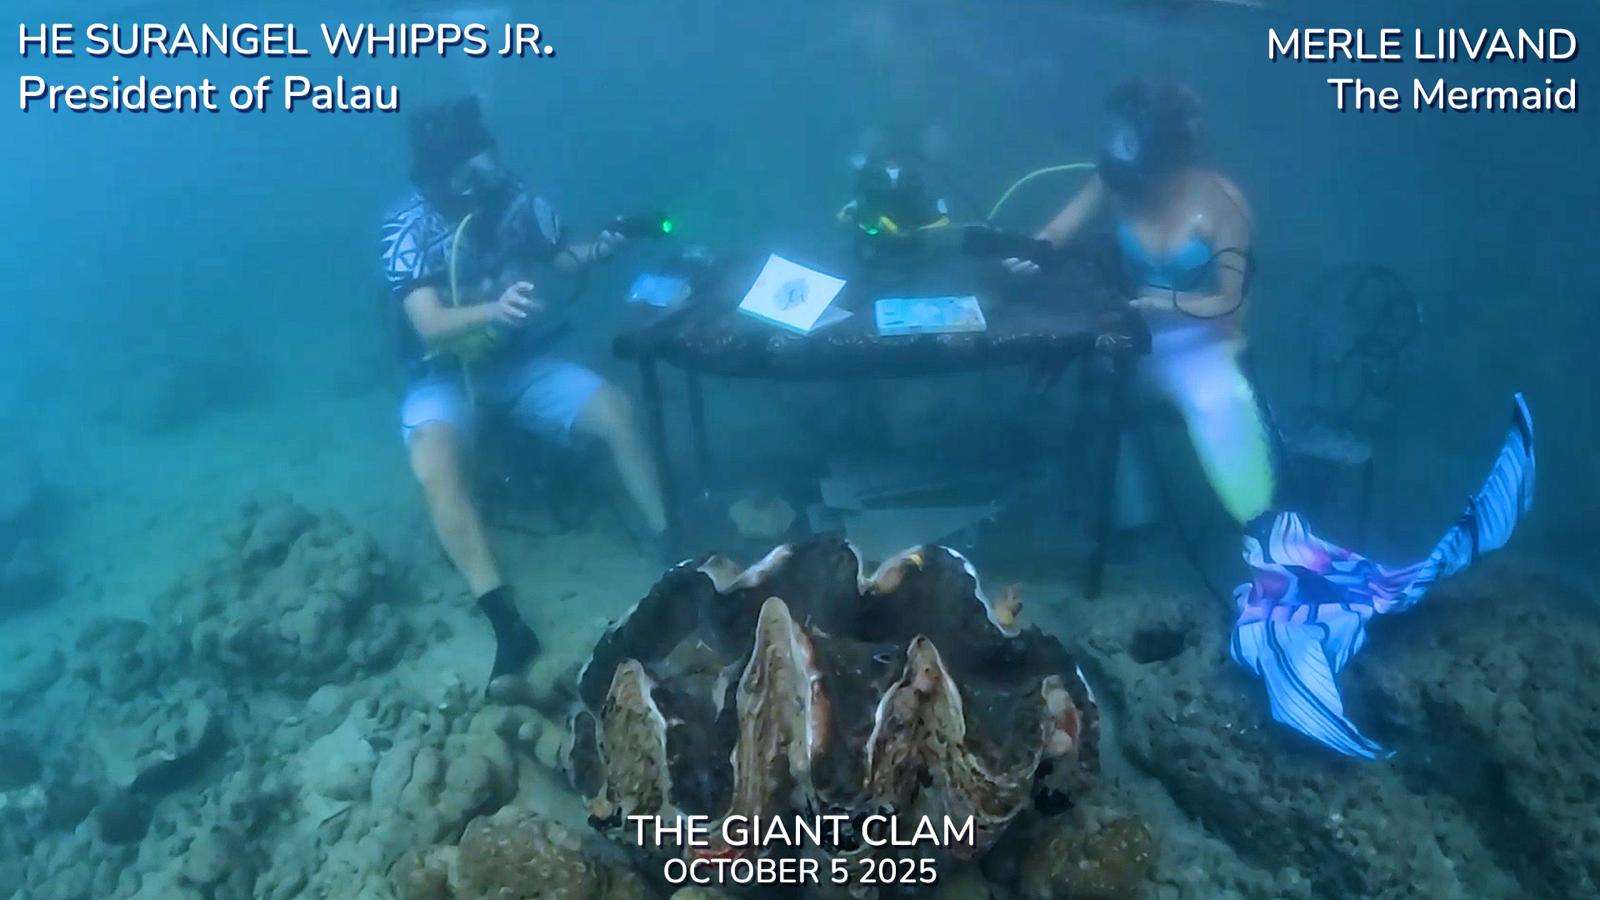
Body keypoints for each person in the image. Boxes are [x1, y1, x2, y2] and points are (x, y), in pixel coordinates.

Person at [379, 96, 668, 681]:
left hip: (520, 362)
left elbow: (563, 257)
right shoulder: (407, 225)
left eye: (483, 156)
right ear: (438, 170)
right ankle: (505, 620)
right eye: (465, 165)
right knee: (435, 466)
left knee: (616, 411)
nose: (482, 173)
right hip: (443, 374)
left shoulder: (519, 199)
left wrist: (602, 246)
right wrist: (494, 308)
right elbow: (428, 322)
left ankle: (673, 542)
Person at [1010, 78, 1275, 531]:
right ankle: (1131, 521)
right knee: (1097, 389)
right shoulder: (1114, 182)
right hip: (1135, 336)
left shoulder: (1222, 203)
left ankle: (1263, 529)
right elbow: (1057, 233)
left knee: (1220, 398)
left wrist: (1164, 303)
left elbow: (1233, 304)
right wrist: (1035, 255)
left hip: (1203, 343)